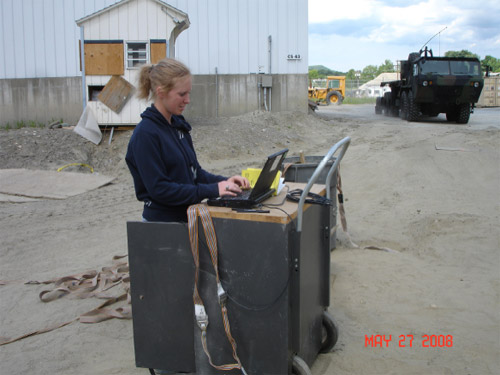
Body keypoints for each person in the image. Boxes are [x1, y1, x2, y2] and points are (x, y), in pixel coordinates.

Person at [126, 58, 249, 222]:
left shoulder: (178, 127)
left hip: (186, 219)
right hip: (162, 226)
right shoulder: (146, 134)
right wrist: (213, 190)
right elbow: (160, 190)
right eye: (182, 94)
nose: (187, 100)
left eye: (188, 93)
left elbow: (195, 174)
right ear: (161, 92)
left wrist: (225, 182)